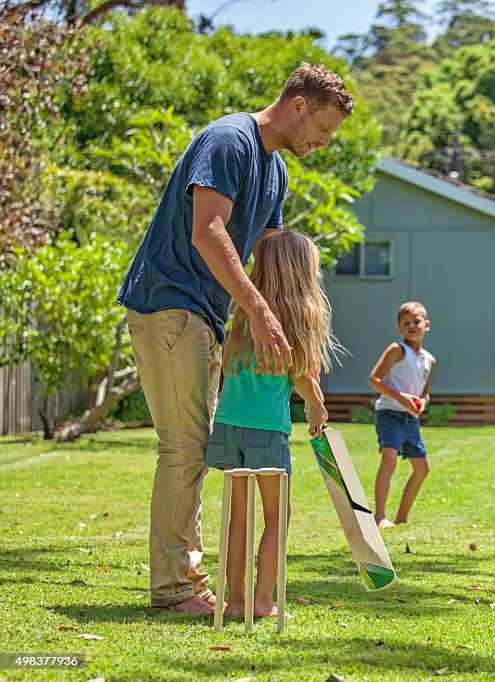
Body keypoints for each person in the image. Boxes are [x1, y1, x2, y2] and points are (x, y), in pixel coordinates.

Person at [116, 63, 354, 614]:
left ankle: (192, 582)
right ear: (298, 106)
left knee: (193, 447)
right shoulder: (228, 140)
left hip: (206, 315)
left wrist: (299, 334)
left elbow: (270, 262)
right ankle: (175, 589)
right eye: (323, 128)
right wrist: (258, 310)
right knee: (185, 448)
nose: (323, 142)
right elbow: (208, 231)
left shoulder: (275, 172)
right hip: (169, 301)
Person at [206, 230, 336, 618]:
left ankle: (235, 602)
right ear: (301, 272)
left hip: (228, 425)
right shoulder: (297, 313)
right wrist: (315, 407)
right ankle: (263, 602)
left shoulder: (244, 312)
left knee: (238, 518)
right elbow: (299, 375)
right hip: (267, 431)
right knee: (277, 516)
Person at [369, 302, 436, 528]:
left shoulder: (429, 360)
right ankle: (379, 517)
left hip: (411, 418)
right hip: (390, 413)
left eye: (416, 322)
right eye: (405, 323)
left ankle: (402, 518)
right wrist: (402, 399)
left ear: (426, 325)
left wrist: (421, 403)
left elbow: (425, 393)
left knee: (422, 468)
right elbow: (374, 379)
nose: (411, 326)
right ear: (399, 328)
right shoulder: (397, 350)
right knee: (389, 458)